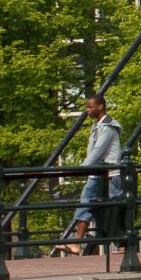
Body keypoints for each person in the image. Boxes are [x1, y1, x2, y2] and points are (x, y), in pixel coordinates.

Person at [59, 95, 127, 255]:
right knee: (85, 204)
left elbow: (99, 151)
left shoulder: (108, 127)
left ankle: (123, 244)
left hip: (110, 175)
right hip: (96, 174)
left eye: (90, 107)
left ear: (100, 107)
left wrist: (82, 168)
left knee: (113, 209)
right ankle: (77, 242)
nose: (87, 110)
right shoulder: (97, 126)